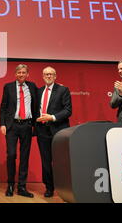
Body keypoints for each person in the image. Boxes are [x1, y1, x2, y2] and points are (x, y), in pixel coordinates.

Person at [0, 64, 39, 197]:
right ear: (15, 74)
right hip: (12, 126)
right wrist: (2, 124)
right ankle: (10, 185)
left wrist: (58, 86)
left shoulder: (32, 87)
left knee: (24, 157)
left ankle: (22, 187)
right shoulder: (8, 87)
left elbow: (41, 99)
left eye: (24, 72)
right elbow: (3, 107)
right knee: (11, 155)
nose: (21, 75)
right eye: (19, 72)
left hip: (27, 126)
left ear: (27, 74)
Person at [35, 66, 72, 198]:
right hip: (42, 131)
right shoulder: (38, 91)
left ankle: (64, 187)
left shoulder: (63, 90)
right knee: (46, 161)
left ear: (55, 76)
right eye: (46, 74)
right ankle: (49, 187)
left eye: (51, 74)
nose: (48, 76)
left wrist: (52, 117)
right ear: (42, 76)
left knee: (60, 161)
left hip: (58, 131)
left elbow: (68, 110)